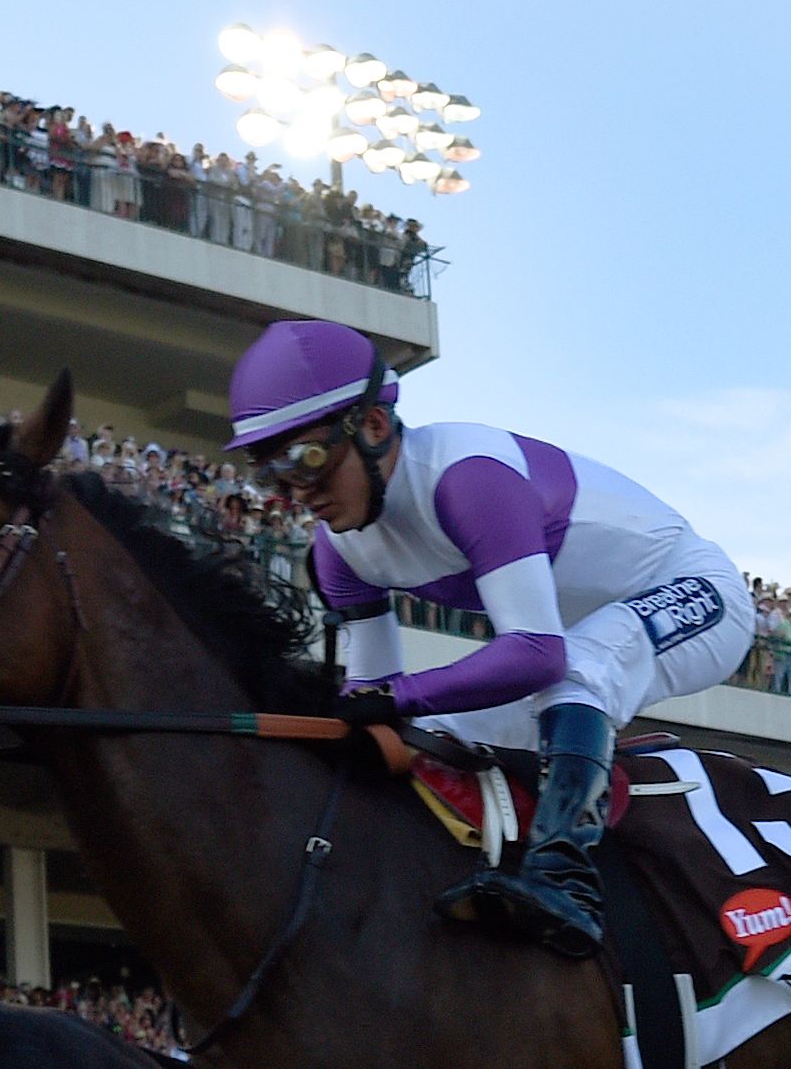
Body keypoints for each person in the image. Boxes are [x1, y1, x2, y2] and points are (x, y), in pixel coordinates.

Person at [222, 317, 758, 958]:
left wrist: (394, 700)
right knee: (443, 736)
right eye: (270, 473)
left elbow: (535, 654)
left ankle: (566, 878)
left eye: (306, 459)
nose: (297, 492)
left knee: (579, 667)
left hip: (699, 593)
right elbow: (380, 702)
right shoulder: (338, 551)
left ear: (372, 426)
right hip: (572, 635)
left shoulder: (468, 477)